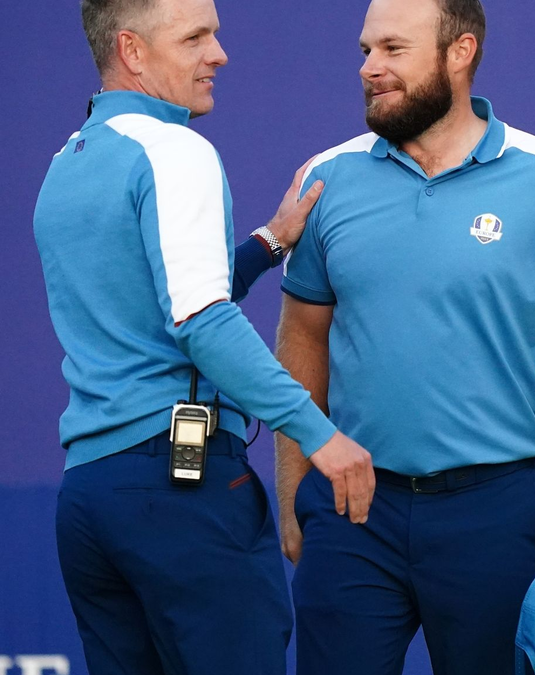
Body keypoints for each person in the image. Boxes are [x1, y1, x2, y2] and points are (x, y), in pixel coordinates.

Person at [274, 0, 535, 672]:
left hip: (491, 513)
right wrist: (295, 489)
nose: (369, 68)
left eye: (393, 50)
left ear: (460, 52)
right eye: (365, 51)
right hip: (352, 510)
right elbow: (302, 335)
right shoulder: (328, 178)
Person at [33, 1, 376, 673]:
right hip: (180, 494)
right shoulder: (174, 149)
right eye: (194, 38)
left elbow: (151, 306)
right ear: (133, 52)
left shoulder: (63, 165)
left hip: (89, 501)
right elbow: (201, 322)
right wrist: (321, 436)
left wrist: (268, 242)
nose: (218, 54)